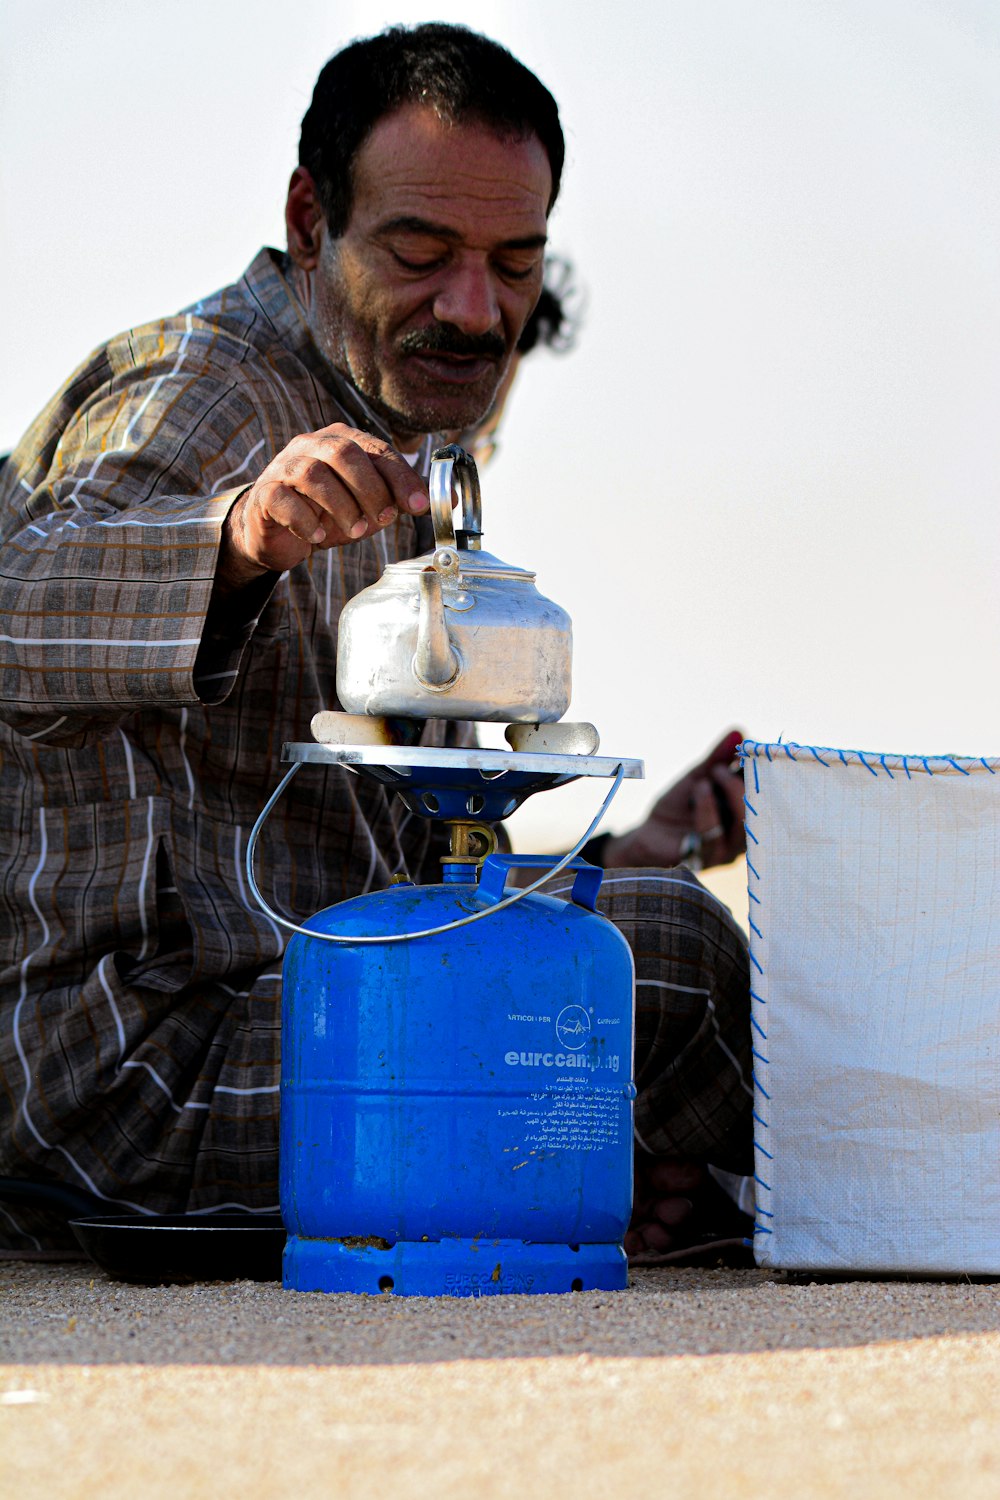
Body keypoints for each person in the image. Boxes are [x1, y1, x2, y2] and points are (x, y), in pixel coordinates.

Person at [0, 23, 751, 1260]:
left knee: (619, 921)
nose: (476, 308)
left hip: (299, 1022)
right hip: (121, 1090)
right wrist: (233, 537)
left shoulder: (399, 438)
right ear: (310, 221)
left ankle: (652, 1188)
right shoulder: (207, 391)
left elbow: (392, 885)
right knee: (659, 957)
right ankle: (867, 1215)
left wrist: (617, 850)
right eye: (422, 252)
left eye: (516, 263)